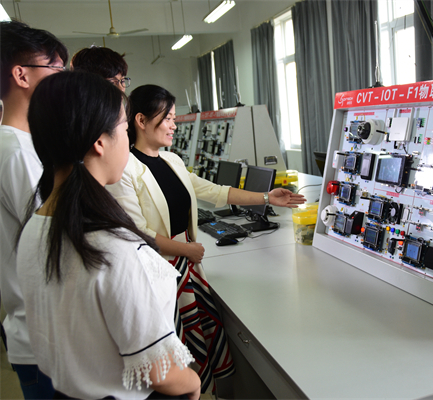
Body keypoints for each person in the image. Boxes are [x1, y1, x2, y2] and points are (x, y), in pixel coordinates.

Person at [106, 84, 305, 394]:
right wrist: (186, 249)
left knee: (200, 339)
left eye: (174, 118)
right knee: (177, 348)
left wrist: (267, 197)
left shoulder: (171, 160)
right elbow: (137, 233)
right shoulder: (126, 170)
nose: (173, 125)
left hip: (187, 264)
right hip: (161, 270)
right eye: (167, 118)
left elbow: (214, 191)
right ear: (141, 120)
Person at [17, 70, 201, 399]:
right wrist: (193, 382)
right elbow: (160, 372)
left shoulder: (35, 227)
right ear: (100, 142)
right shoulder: (112, 246)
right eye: (124, 128)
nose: (128, 140)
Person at [0, 20, 68, 399]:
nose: (61, 78)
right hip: (45, 336)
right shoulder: (15, 152)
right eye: (54, 68)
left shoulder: (26, 144)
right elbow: (56, 236)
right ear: (21, 75)